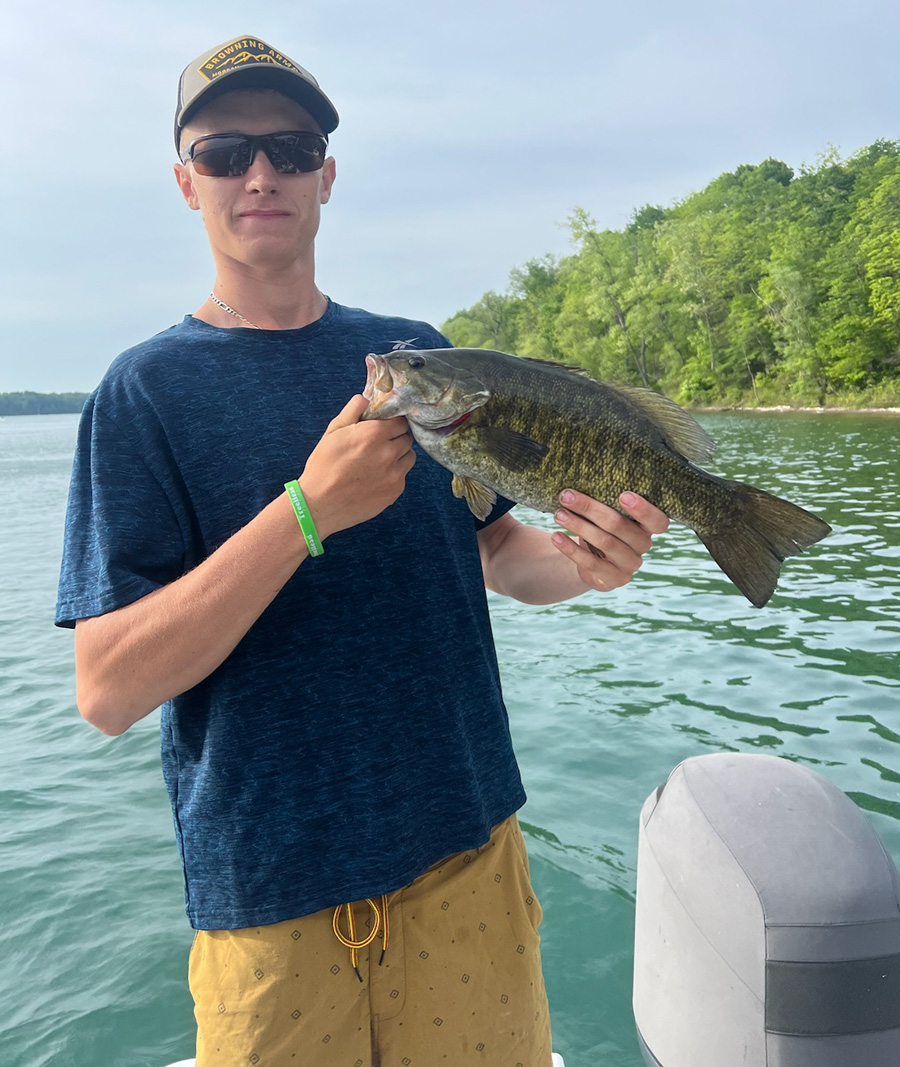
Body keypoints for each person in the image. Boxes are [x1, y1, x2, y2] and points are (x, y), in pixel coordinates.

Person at [56, 34, 669, 1067]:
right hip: (270, 904)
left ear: (327, 178)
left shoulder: (419, 360)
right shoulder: (143, 394)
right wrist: (306, 513)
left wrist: (592, 560)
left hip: (470, 863)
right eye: (225, 151)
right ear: (184, 179)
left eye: (293, 149)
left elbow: (503, 548)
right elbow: (107, 688)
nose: (261, 172)